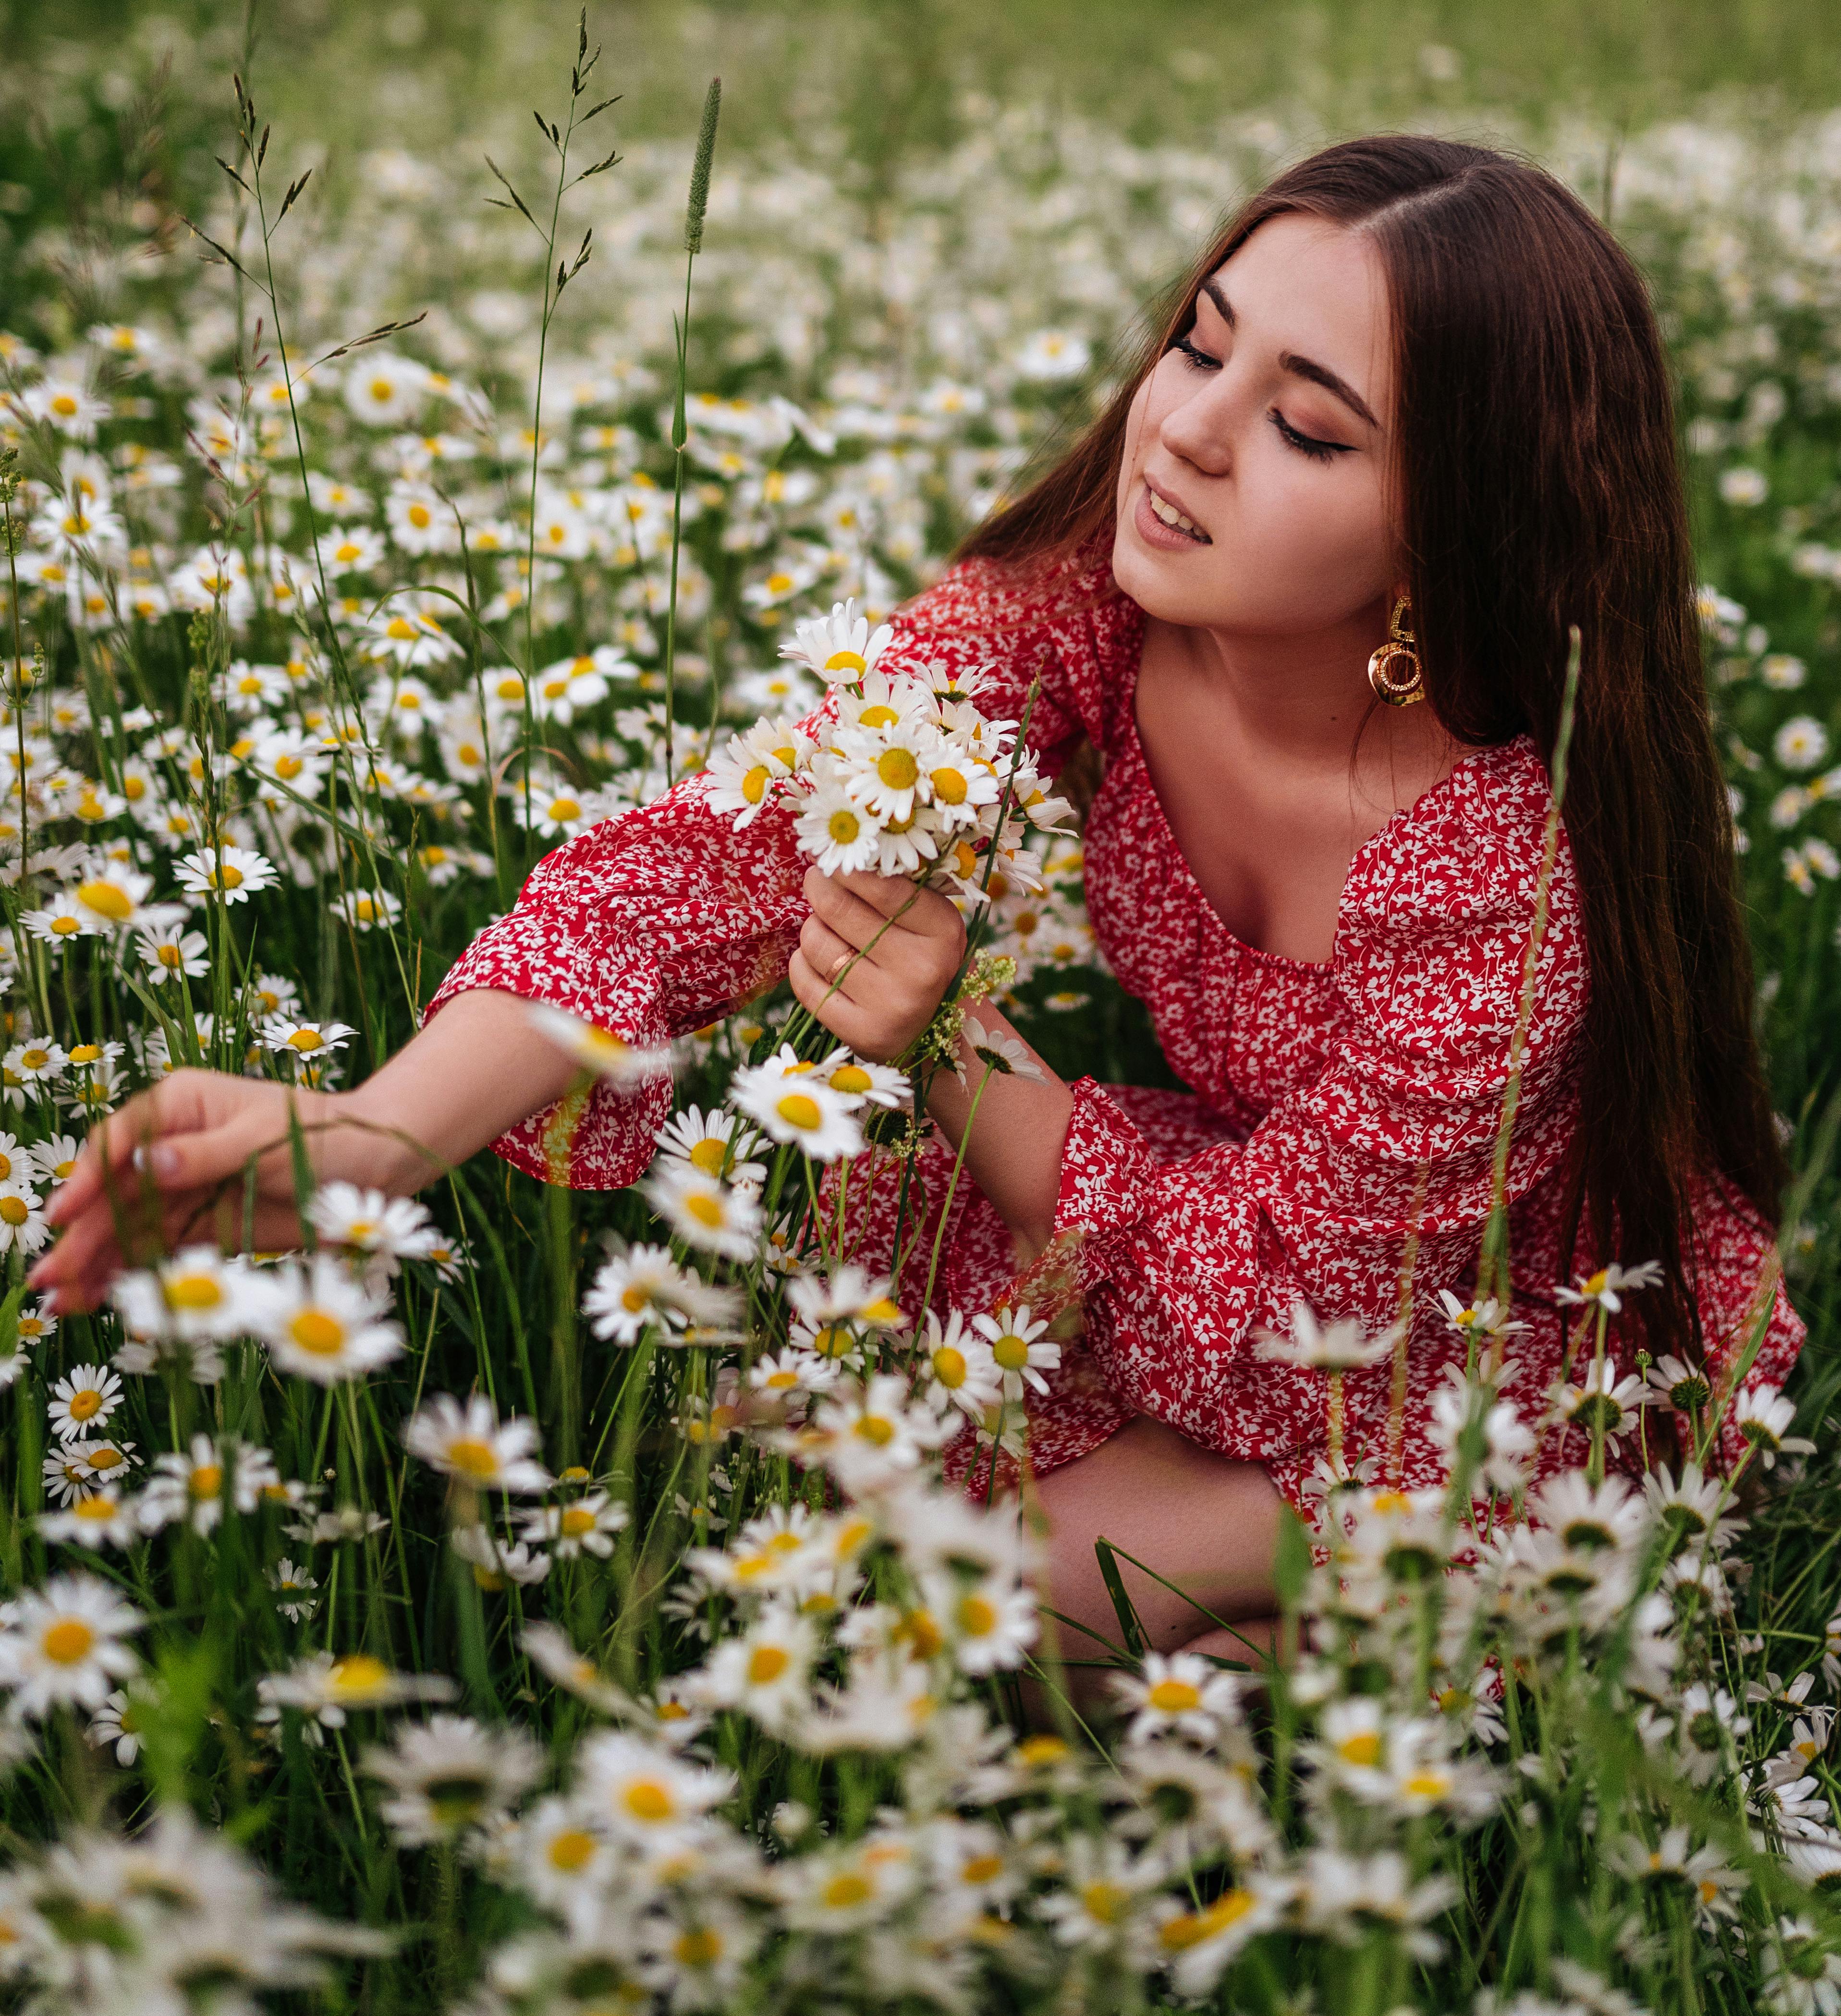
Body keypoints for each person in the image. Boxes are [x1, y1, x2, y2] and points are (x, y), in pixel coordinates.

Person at [35, 136, 1804, 1673]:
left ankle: (1391, 1600)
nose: (1179, 432)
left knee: (981, 1602)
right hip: (1206, 1210)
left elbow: (1264, 1296)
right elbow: (722, 855)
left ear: (1450, 530)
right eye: (1198, 341)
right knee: (783, 1433)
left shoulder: (1497, 874)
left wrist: (947, 1041)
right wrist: (371, 1139)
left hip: (1487, 1340)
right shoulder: (1081, 614)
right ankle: (1319, 1657)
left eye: (1302, 427)